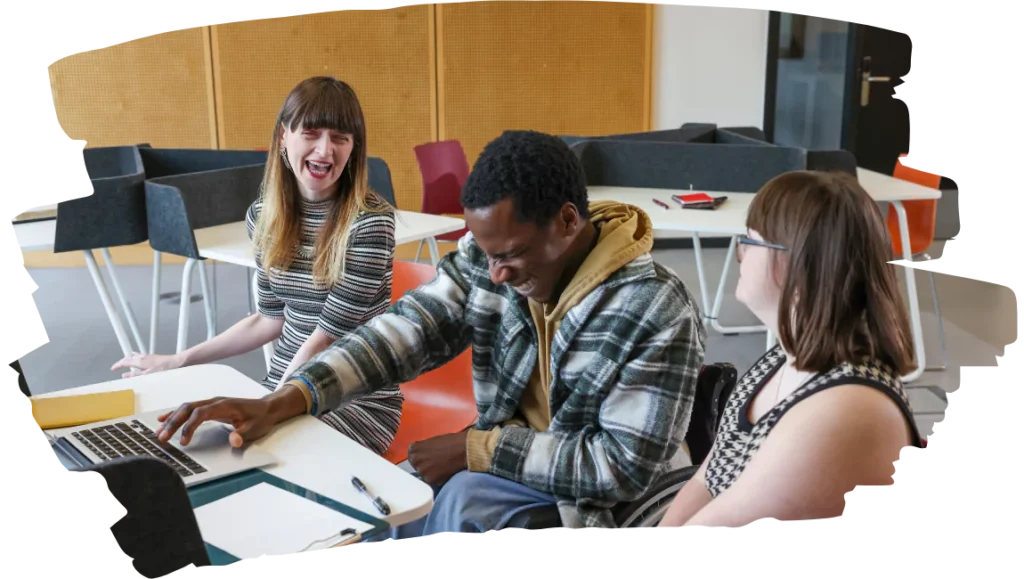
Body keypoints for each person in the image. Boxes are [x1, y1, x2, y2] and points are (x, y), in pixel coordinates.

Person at [154, 129, 707, 533]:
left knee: (459, 502)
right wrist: (286, 399)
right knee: (378, 504)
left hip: (601, 504)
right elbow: (403, 332)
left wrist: (476, 450)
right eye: (487, 255)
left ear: (567, 222)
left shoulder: (654, 308)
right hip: (511, 461)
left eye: (511, 255)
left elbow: (620, 468)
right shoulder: (492, 259)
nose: (495, 274)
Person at [111, 76, 403, 456]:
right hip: (282, 387)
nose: (325, 150)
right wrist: (178, 360)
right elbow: (268, 319)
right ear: (284, 137)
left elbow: (325, 338)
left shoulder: (369, 224)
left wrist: (269, 408)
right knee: (192, 444)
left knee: (254, 452)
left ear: (353, 148)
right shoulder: (264, 217)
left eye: (340, 138)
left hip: (354, 396)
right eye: (311, 133)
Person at [657, 170, 925, 529]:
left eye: (750, 240)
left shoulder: (846, 409)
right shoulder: (784, 358)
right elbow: (707, 479)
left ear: (797, 262)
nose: (740, 253)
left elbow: (727, 521)